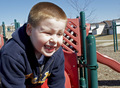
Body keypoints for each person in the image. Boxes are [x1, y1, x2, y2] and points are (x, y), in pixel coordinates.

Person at [0, 2, 67, 88]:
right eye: (48, 33)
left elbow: (58, 84)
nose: (54, 40)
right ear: (30, 30)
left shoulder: (57, 53)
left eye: (59, 34)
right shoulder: (12, 54)